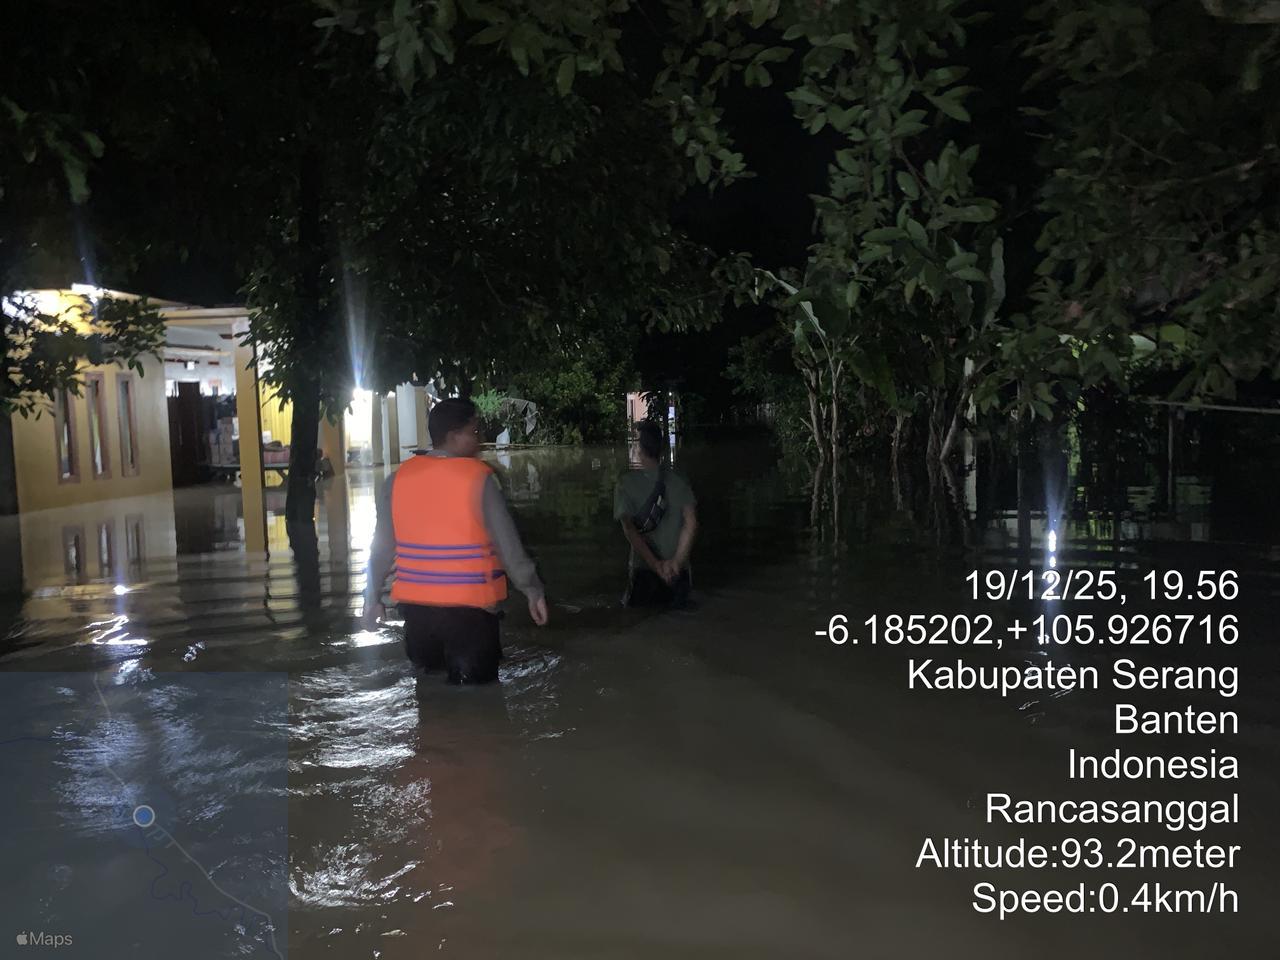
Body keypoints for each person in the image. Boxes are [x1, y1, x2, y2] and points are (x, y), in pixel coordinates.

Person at [362, 398, 549, 683]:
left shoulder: (396, 480)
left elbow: (381, 549)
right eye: (474, 431)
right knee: (479, 699)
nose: (480, 439)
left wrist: (371, 598)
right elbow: (508, 547)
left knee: (430, 695)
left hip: (418, 618)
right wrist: (533, 590)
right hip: (471, 618)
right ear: (453, 436)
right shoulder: (480, 480)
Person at [614, 419, 697, 607]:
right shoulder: (678, 478)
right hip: (678, 573)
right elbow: (691, 523)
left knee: (638, 621)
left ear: (638, 449)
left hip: (644, 570)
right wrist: (676, 562)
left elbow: (629, 530)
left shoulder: (625, 483)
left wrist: (656, 565)